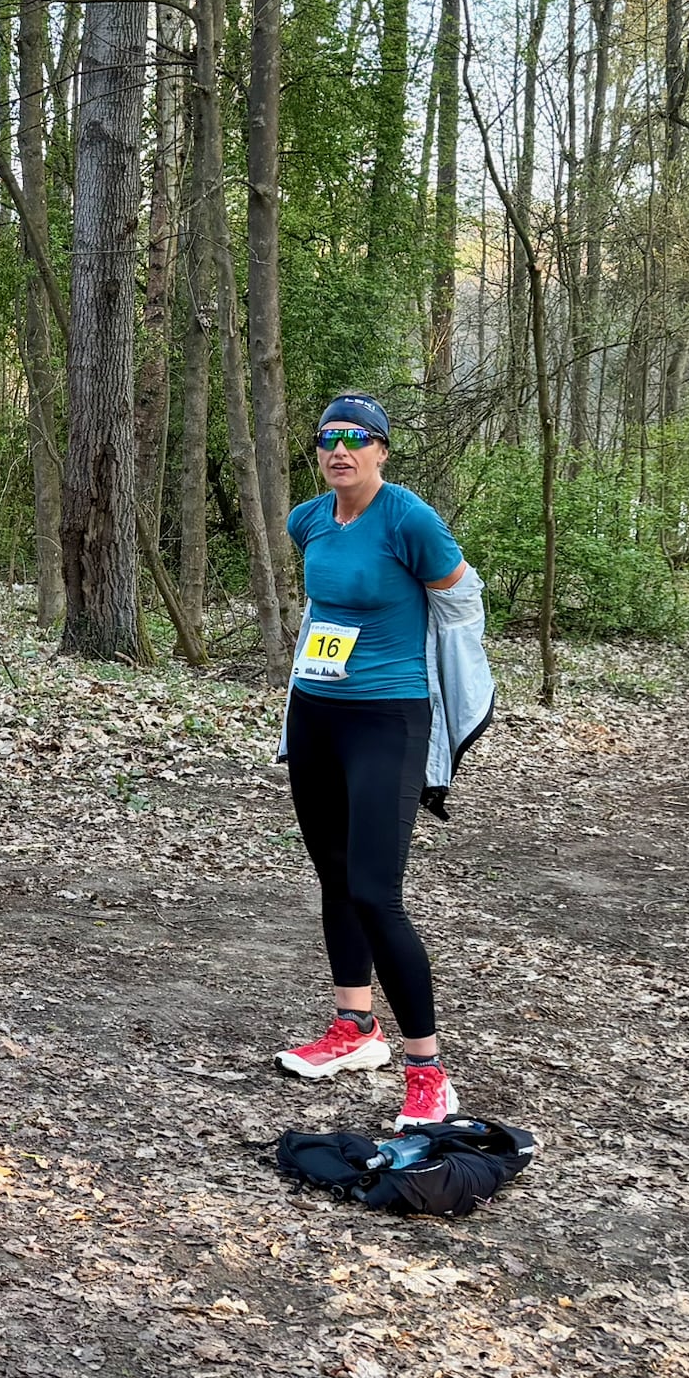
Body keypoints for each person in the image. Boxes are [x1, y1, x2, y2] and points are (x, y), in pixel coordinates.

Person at [273, 393, 473, 1130]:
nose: (341, 449)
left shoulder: (409, 520)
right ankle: (355, 1027)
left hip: (388, 718)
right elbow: (319, 614)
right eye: (329, 437)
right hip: (316, 712)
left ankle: (428, 1072)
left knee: (375, 891)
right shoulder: (307, 520)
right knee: (334, 874)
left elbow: (460, 606)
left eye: (357, 437)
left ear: (382, 450)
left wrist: (458, 701)